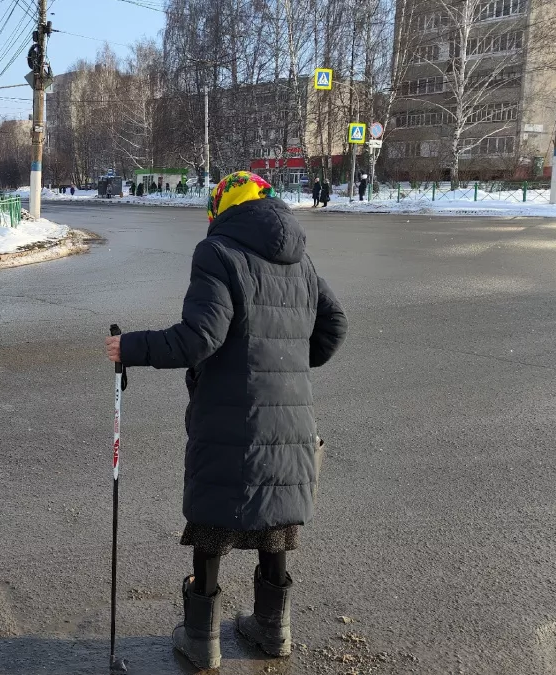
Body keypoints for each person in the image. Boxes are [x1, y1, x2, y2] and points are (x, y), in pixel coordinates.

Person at [104, 171, 347, 671]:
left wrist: (131, 346)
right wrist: (291, 362)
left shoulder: (217, 253)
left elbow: (200, 338)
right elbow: (334, 326)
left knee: (215, 518)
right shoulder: (299, 256)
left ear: (221, 209)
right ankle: (273, 630)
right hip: (291, 417)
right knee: (276, 518)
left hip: (231, 413)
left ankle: (202, 640)